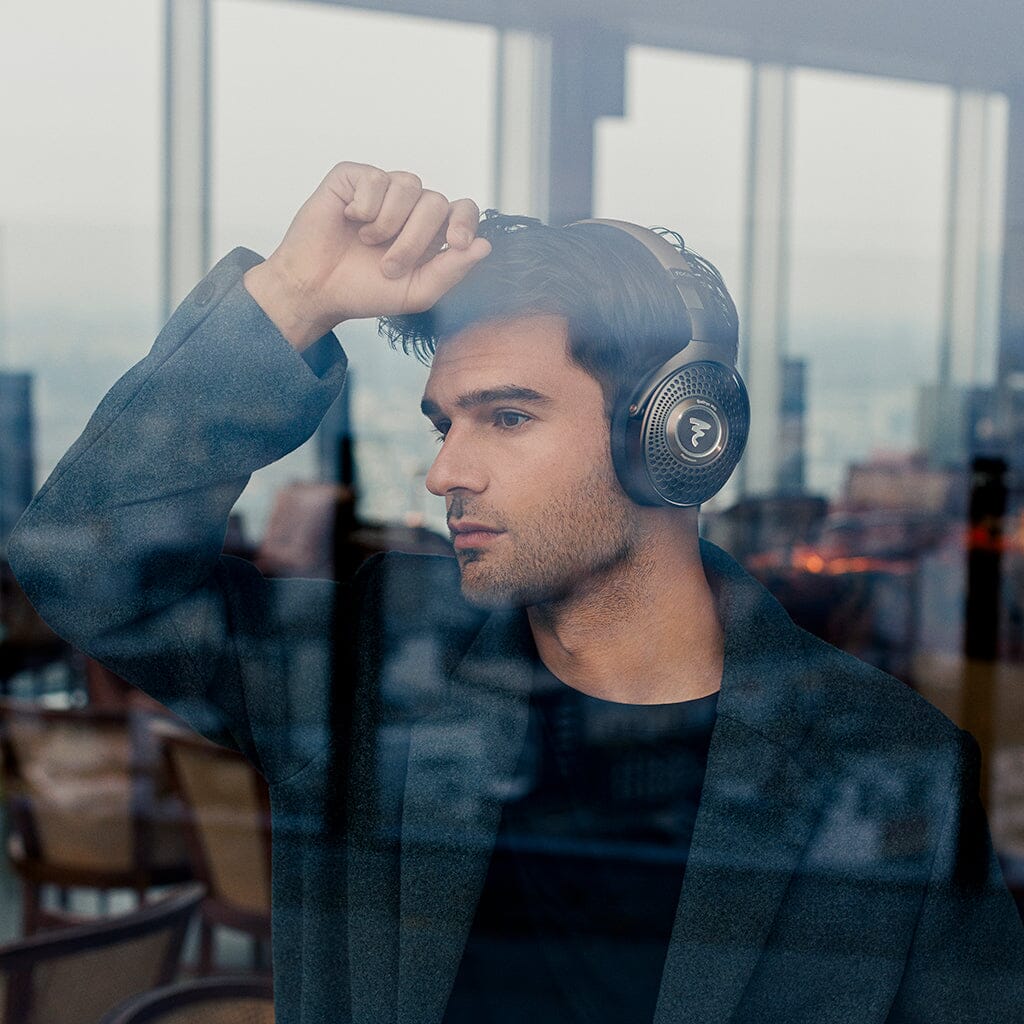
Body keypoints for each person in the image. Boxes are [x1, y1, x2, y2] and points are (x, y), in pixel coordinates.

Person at [7, 161, 1024, 1024]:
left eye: (504, 417)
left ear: (674, 432)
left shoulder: (889, 765)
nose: (445, 471)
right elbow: (82, 560)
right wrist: (292, 296)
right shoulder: (370, 665)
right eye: (444, 423)